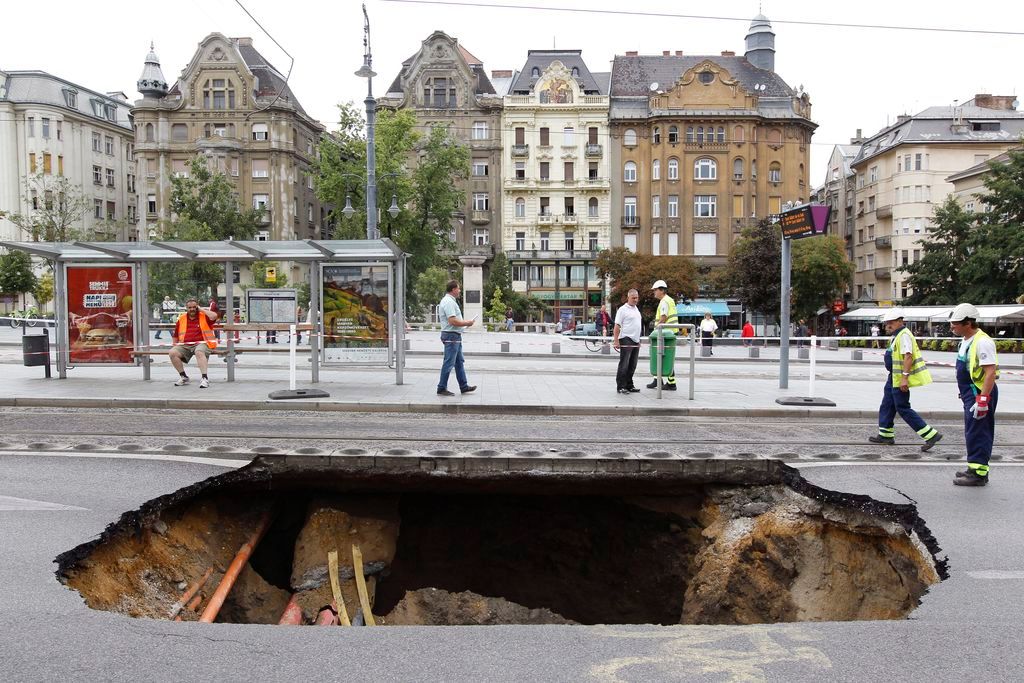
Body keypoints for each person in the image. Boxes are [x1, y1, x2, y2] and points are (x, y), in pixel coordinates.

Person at [868, 309, 942, 451]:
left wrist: (904, 378)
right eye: (887, 323)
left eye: (891, 322)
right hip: (894, 377)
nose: (888, 325)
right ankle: (885, 435)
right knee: (887, 405)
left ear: (900, 321)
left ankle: (930, 434)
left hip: (899, 378)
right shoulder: (897, 335)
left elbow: (908, 356)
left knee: (902, 408)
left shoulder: (904, 335)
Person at [949, 303, 999, 487]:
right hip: (970, 392)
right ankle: (974, 467)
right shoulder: (966, 340)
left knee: (979, 432)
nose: (952, 327)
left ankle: (979, 474)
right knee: (972, 432)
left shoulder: (983, 341)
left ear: (968, 323)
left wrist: (983, 400)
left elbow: (990, 372)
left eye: (955, 324)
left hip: (980, 393)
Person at [436, 280, 476, 396]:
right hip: (451, 335)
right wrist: (466, 323)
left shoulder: (449, 301)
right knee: (449, 362)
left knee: (459, 362)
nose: (459, 291)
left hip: (454, 335)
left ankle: (463, 386)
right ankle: (441, 387)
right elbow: (452, 321)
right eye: (458, 288)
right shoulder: (448, 302)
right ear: (453, 289)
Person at [169, 298, 218, 388]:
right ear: (186, 308)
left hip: (203, 342)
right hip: (185, 344)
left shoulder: (204, 316)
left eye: (194, 307)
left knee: (199, 351)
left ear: (197, 307)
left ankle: (204, 378)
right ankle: (183, 377)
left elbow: (214, 316)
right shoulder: (182, 319)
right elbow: (175, 335)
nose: (192, 309)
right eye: (190, 307)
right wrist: (175, 346)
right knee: (172, 352)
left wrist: (202, 310)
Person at [647, 280, 678, 390]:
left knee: (661, 357)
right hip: (669, 333)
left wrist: (656, 329)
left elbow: (663, 318)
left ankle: (668, 383)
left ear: (661, 290)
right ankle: (659, 380)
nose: (654, 292)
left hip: (665, 333)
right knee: (661, 357)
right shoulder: (669, 300)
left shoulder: (664, 301)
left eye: (655, 290)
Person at [613, 289, 641, 394]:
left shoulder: (636, 309)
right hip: (626, 338)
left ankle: (629, 385)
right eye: (633, 298)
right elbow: (617, 325)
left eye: (637, 297)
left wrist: (638, 340)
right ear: (628, 298)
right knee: (624, 363)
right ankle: (621, 386)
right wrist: (616, 340)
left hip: (635, 340)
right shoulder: (622, 310)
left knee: (633, 364)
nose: (635, 300)